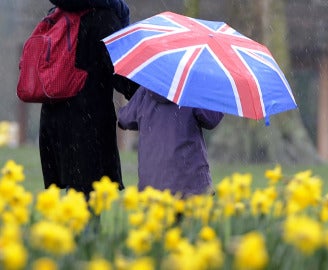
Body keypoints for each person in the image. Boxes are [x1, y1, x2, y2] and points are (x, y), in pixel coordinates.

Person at [39, 0, 138, 200]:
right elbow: (120, 73)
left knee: (73, 202)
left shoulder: (59, 13)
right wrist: (149, 90)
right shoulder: (105, 17)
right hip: (87, 125)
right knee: (88, 204)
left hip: (55, 120)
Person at [117, 86, 224, 198]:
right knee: (192, 216)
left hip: (152, 188)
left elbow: (124, 119)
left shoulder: (146, 90)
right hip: (190, 186)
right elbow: (212, 118)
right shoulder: (190, 89)